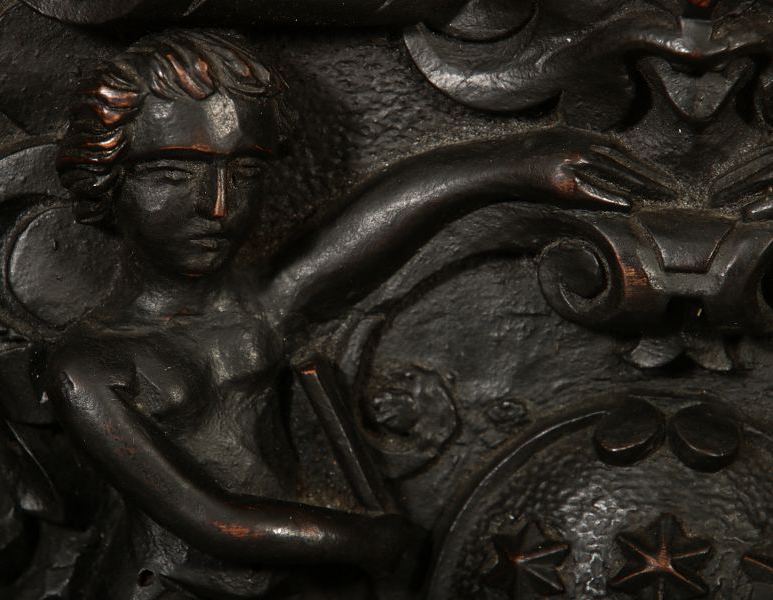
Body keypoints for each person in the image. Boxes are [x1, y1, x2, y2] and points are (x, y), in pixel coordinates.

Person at [49, 29, 657, 599]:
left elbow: (373, 225)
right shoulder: (90, 366)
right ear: (106, 178)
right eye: (171, 174)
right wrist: (365, 541)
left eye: (245, 171)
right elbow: (216, 522)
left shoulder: (251, 306)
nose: (217, 206)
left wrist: (518, 165)